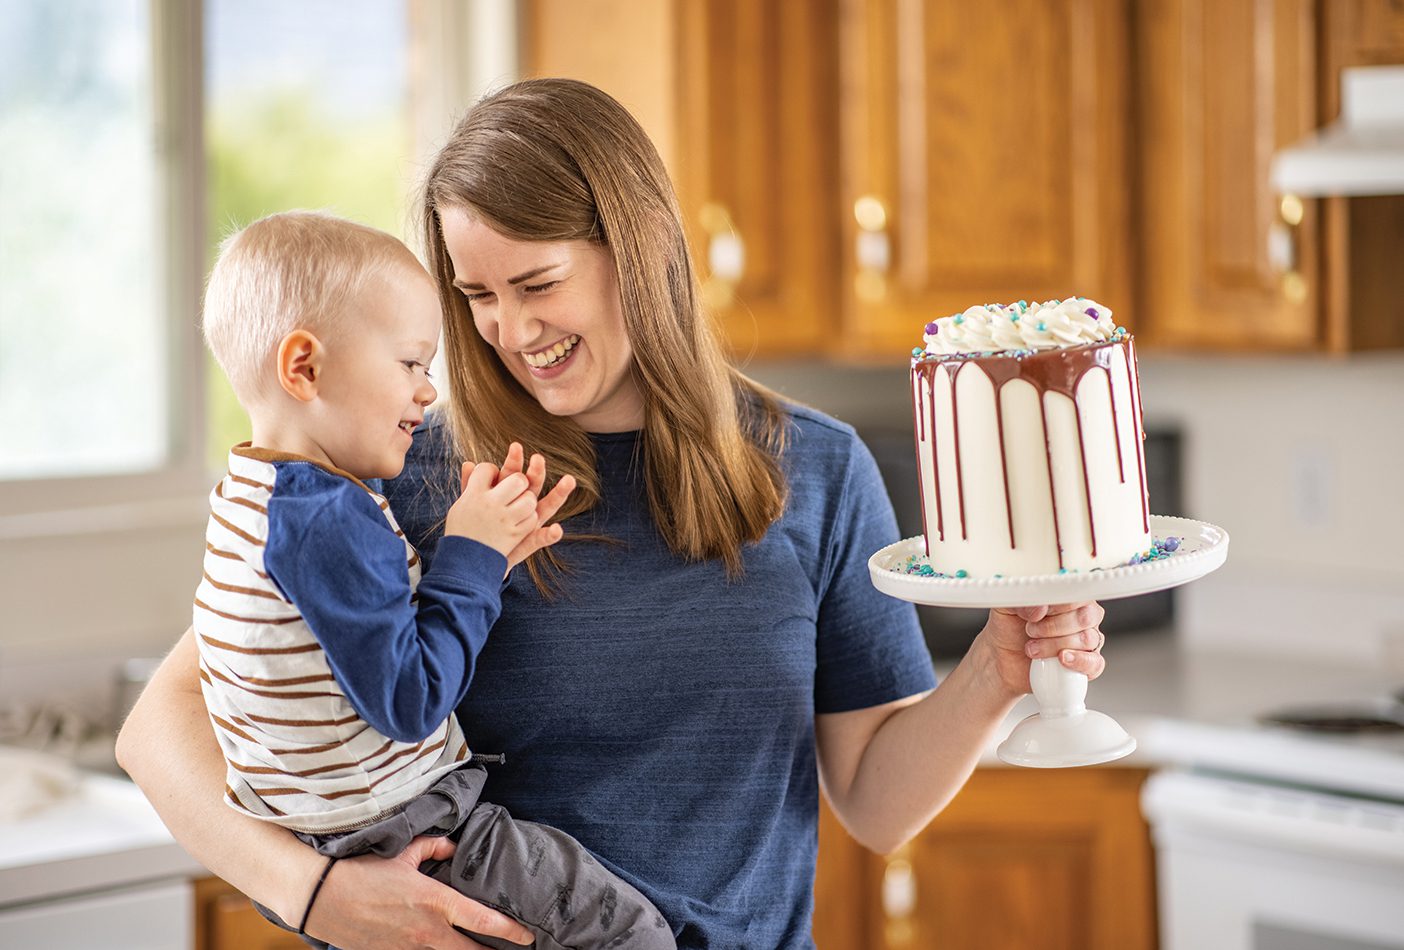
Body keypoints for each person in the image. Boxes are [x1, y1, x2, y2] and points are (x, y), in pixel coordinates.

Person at [117, 78, 1108, 950]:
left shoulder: (817, 470)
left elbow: (878, 803)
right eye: (478, 298)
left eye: (537, 282)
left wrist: (995, 671)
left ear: (635, 246)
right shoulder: (404, 471)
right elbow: (158, 726)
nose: (511, 330)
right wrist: (313, 891)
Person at [187, 209, 674, 950]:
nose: (426, 392)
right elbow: (410, 700)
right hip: (407, 830)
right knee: (632, 935)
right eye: (411, 364)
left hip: (326, 832)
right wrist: (472, 558)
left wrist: (494, 552)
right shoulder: (330, 520)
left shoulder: (251, 495)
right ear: (305, 368)